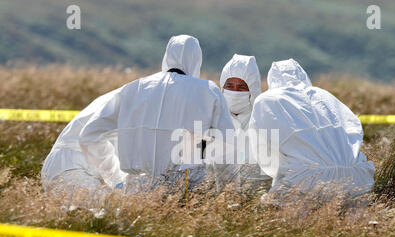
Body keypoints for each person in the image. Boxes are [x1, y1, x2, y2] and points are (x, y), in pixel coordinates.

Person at [79, 35, 235, 192]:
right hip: (186, 189)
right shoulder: (207, 91)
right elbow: (227, 143)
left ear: (166, 56)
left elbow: (89, 136)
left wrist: (114, 177)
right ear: (197, 60)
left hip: (135, 191)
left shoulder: (133, 89)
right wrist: (228, 189)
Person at [249, 59, 375, 197]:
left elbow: (263, 150)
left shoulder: (268, 100)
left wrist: (279, 174)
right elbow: (352, 128)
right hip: (357, 179)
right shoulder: (323, 96)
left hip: (305, 180)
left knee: (273, 210)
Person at [41, 89, 121, 206]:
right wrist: (118, 181)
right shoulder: (142, 96)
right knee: (114, 208)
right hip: (76, 168)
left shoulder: (132, 92)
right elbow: (89, 138)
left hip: (72, 165)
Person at [218, 54, 270, 189]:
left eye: (241, 87)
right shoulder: (211, 120)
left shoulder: (263, 122)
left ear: (252, 90)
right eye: (229, 86)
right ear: (222, 88)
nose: (234, 92)